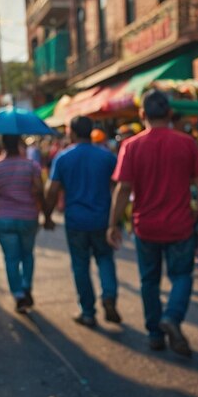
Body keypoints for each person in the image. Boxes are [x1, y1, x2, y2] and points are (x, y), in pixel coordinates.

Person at [108, 89, 198, 357]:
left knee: (149, 281)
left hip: (145, 226)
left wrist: (112, 223)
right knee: (181, 276)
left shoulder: (130, 145)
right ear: (168, 113)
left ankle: (155, 333)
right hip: (179, 225)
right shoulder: (186, 142)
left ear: (142, 114)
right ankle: (172, 318)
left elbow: (122, 188)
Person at [44, 116, 121, 327]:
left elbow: (51, 191)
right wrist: (117, 219)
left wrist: (48, 215)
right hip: (102, 219)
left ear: (73, 133)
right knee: (105, 259)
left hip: (76, 220)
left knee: (80, 265)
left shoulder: (63, 158)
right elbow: (118, 188)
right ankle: (109, 295)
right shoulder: (107, 157)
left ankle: (87, 312)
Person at [0, 135, 46, 313]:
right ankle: (26, 285)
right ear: (20, 144)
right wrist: (45, 213)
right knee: (27, 255)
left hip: (4, 218)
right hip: (28, 217)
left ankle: (18, 294)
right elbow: (39, 190)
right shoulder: (31, 165)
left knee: (11, 259)